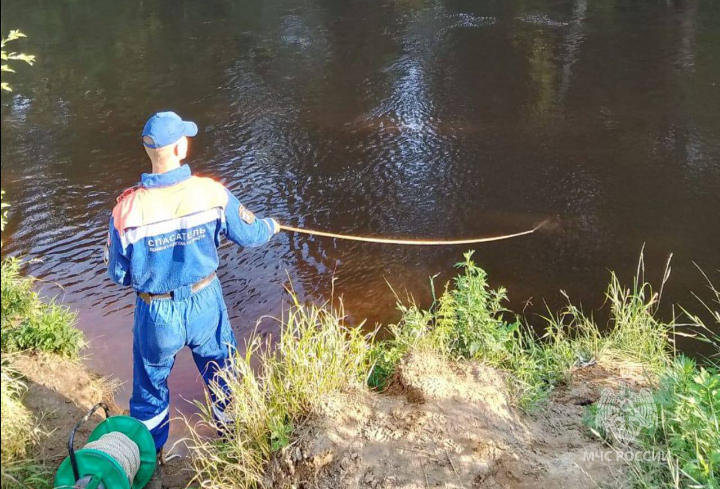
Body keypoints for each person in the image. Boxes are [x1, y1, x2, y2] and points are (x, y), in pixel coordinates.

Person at [105, 111, 279, 456]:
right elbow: (251, 233)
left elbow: (119, 274)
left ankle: (146, 459)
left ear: (149, 150)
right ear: (180, 147)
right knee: (223, 374)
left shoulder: (125, 210)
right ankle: (236, 448)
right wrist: (273, 226)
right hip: (205, 302)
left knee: (150, 389)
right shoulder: (211, 193)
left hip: (156, 312)